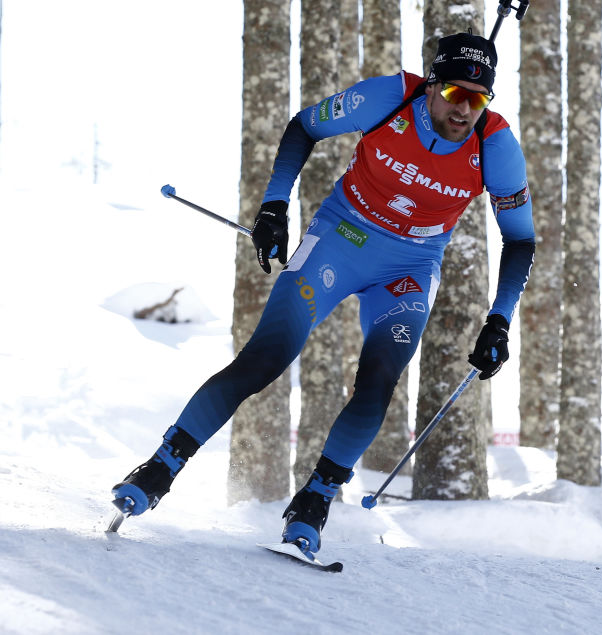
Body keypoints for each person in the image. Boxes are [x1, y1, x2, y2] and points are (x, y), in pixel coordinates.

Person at [111, 33, 535, 559]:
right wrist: (273, 207)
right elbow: (304, 127)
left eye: (478, 99)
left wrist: (499, 320)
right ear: (431, 85)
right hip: (341, 239)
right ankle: (160, 466)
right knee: (264, 359)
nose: (464, 110)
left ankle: (315, 499)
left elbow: (520, 238)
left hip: (409, 269)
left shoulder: (495, 146)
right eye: (454, 94)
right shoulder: (389, 98)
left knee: (378, 381)